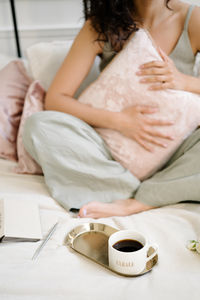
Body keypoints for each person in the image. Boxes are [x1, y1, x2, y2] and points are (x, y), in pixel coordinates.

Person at [23, 0, 200, 218]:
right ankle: (154, 193)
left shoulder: (194, 19)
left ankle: (137, 201)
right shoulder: (100, 24)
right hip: (108, 152)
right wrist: (121, 121)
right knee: (38, 126)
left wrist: (184, 82)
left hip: (176, 155)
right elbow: (56, 99)